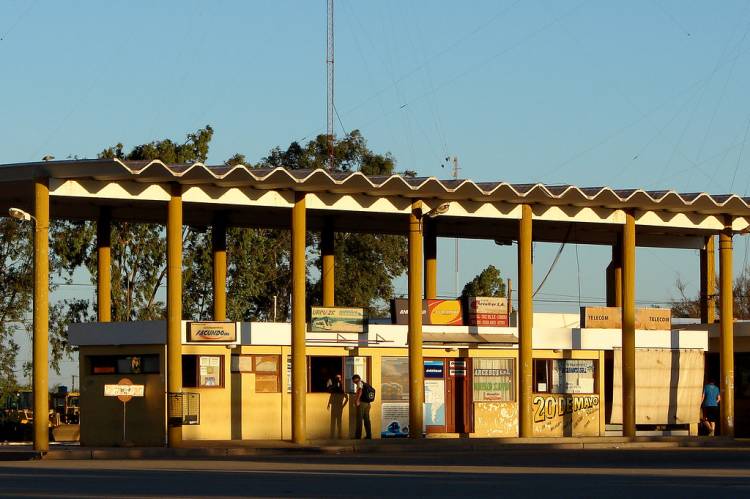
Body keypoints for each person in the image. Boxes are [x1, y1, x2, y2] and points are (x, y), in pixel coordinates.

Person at [327, 374, 347, 439]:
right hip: (338, 406)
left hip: (335, 406)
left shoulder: (337, 389)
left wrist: (329, 404)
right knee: (338, 422)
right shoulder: (340, 390)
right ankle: (338, 435)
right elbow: (346, 398)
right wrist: (343, 406)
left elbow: (331, 396)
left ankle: (334, 435)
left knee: (334, 422)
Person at [352, 374, 372, 439]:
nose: (353, 382)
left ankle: (358, 436)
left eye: (353, 380)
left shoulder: (359, 383)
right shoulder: (365, 383)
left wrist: (357, 400)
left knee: (359, 420)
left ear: (355, 379)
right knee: (367, 420)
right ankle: (369, 435)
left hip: (362, 403)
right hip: (368, 404)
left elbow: (360, 391)